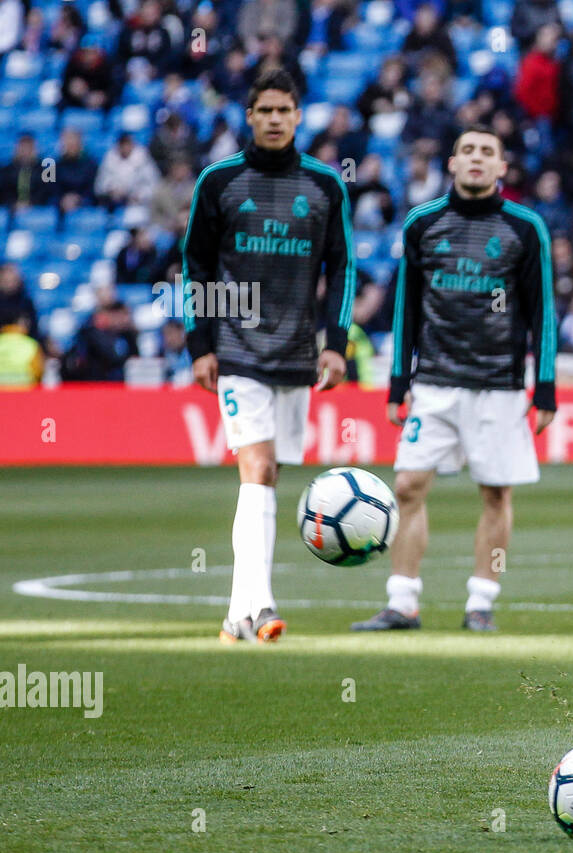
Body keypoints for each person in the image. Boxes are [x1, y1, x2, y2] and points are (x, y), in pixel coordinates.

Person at [352, 125, 557, 634]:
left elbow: (543, 312)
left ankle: (481, 602)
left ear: (502, 168)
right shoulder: (423, 223)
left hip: (501, 385)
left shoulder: (526, 227)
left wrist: (545, 386)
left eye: (488, 152)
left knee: (495, 494)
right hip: (435, 383)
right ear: (452, 162)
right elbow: (406, 308)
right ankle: (403, 603)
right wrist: (399, 383)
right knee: (407, 484)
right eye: (467, 150)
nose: (476, 159)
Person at [181, 69, 353, 645]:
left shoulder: (326, 185)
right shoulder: (220, 180)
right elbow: (196, 266)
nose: (275, 119)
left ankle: (234, 614)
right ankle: (261, 607)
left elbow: (343, 267)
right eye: (265, 111)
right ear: (249, 117)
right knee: (256, 469)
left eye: (285, 110)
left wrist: (337, 343)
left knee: (270, 475)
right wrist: (200, 345)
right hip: (237, 348)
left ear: (298, 116)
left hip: (298, 351)